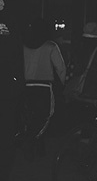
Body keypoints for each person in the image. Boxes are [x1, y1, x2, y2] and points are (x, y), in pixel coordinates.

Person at [22, 20, 67, 158]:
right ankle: (33, 141)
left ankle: (36, 146)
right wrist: (63, 84)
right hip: (44, 87)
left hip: (26, 87)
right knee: (45, 116)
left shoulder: (23, 46)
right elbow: (61, 68)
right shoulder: (50, 46)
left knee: (30, 116)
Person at [0, 0, 24, 181]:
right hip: (6, 95)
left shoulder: (8, 22)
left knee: (5, 148)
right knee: (4, 149)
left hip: (6, 95)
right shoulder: (9, 22)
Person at [64, 22, 97, 124]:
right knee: (92, 125)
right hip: (95, 94)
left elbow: (70, 71)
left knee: (77, 123)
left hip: (77, 94)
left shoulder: (78, 48)